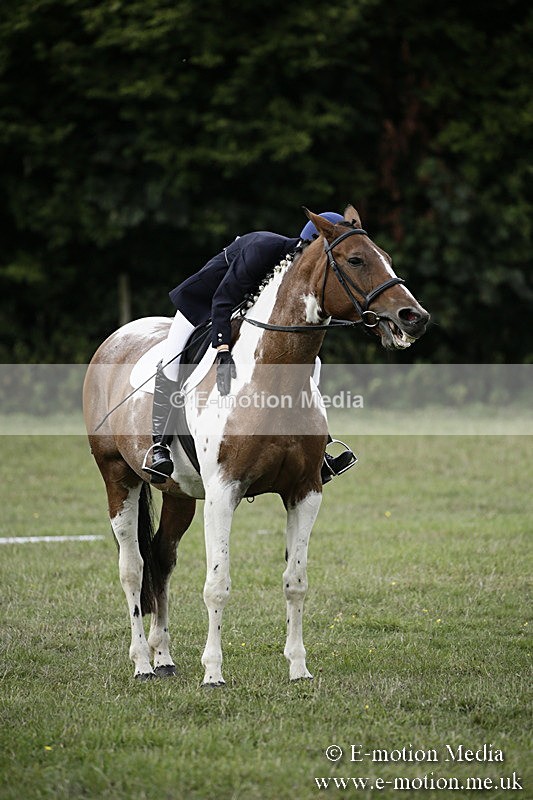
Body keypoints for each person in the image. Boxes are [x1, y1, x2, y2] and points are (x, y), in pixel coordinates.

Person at [144, 212, 357, 483]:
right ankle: (159, 446)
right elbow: (222, 298)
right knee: (172, 363)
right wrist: (222, 348)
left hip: (241, 310)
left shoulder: (301, 270)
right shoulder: (262, 248)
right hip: (202, 302)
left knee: (312, 362)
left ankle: (320, 448)